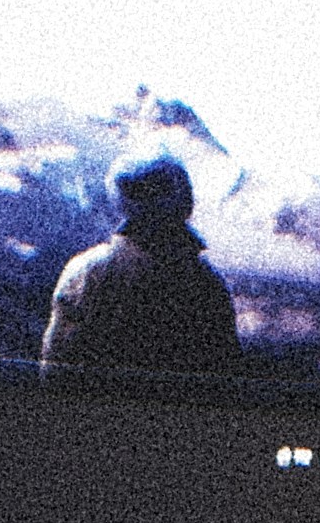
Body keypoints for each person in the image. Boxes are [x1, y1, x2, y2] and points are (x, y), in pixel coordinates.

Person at [39, 154, 243, 378]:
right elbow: (223, 372)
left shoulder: (87, 274)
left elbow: (55, 370)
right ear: (185, 201)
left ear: (120, 201)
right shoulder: (206, 283)